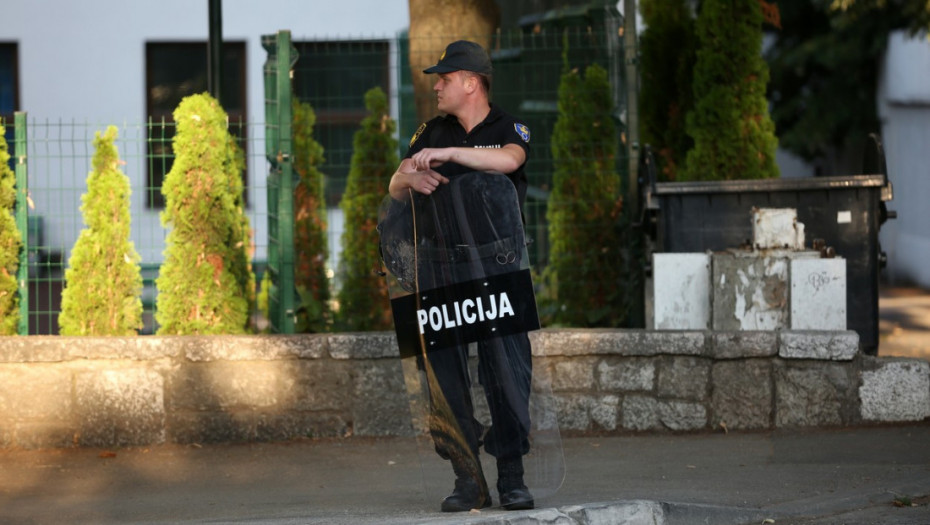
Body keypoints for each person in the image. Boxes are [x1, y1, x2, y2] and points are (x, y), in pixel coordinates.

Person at [388, 40, 535, 513]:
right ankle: (467, 478)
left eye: (445, 79)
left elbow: (509, 161)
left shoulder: (507, 126)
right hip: (438, 267)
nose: (436, 86)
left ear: (471, 83)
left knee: (506, 372)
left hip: (498, 268)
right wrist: (407, 179)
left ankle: (511, 477)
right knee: (443, 378)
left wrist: (452, 152)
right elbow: (395, 184)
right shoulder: (430, 131)